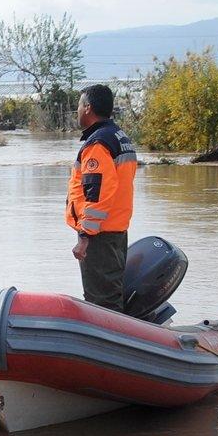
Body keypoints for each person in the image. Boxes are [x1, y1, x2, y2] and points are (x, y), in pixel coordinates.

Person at [67, 84, 137, 312]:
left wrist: (85, 235)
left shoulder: (97, 144)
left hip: (100, 237)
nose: (76, 110)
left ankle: (111, 345)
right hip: (116, 232)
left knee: (101, 304)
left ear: (88, 108)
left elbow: (97, 194)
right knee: (110, 297)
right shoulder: (119, 137)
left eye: (79, 105)